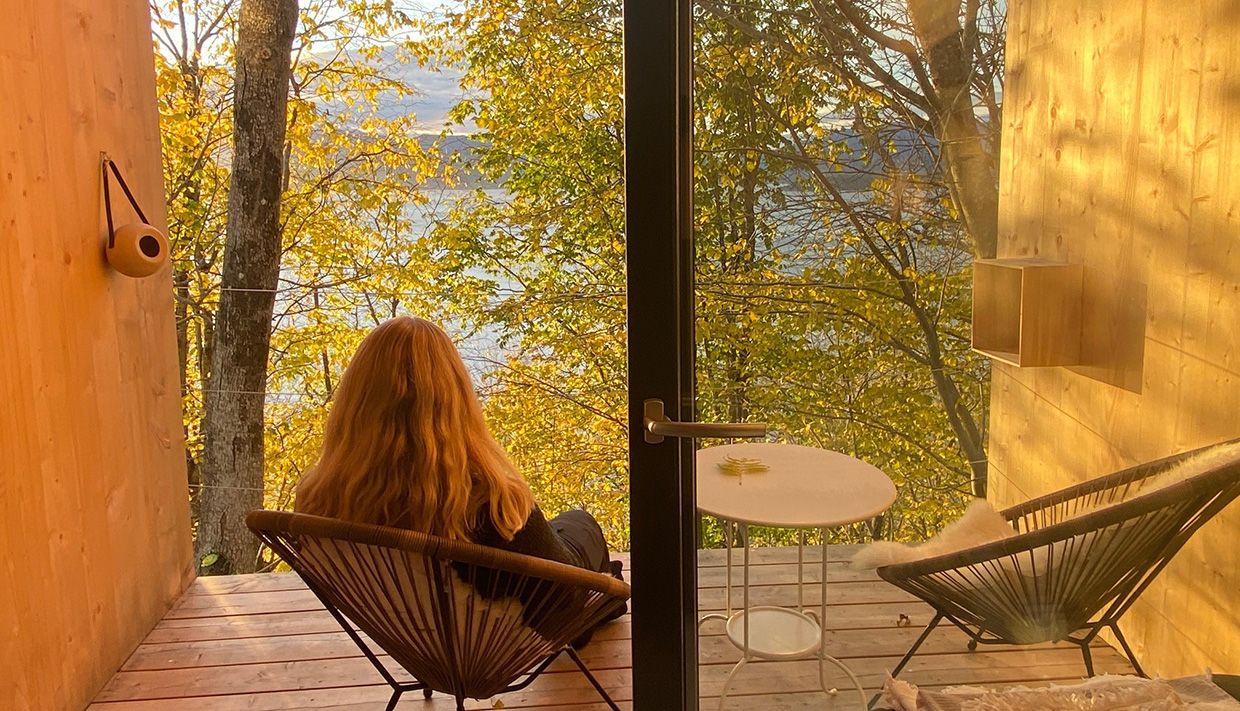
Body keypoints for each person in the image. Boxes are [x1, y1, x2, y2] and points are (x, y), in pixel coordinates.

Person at [295, 316, 624, 637]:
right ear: (454, 396)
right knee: (582, 525)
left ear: (357, 400)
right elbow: (560, 599)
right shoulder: (486, 498)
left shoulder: (320, 500)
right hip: (496, 637)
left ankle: (607, 590)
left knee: (561, 529)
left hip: (416, 636)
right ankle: (608, 592)